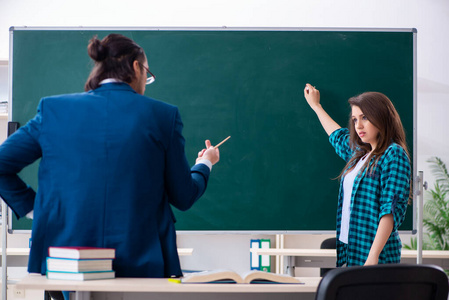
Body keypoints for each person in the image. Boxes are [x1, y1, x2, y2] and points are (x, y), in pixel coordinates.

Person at [0, 34, 220, 278]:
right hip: (141, 259)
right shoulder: (163, 116)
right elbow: (183, 196)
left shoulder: (54, 110)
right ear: (136, 67)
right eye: (147, 74)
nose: (145, 82)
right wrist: (205, 163)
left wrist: (39, 211)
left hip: (65, 258)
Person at [303, 83, 411, 266]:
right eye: (354, 119)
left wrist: (373, 255)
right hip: (351, 249)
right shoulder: (360, 155)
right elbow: (336, 135)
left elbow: (390, 210)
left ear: (381, 118)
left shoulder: (393, 154)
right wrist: (316, 106)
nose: (358, 125)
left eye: (365, 118)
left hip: (373, 254)